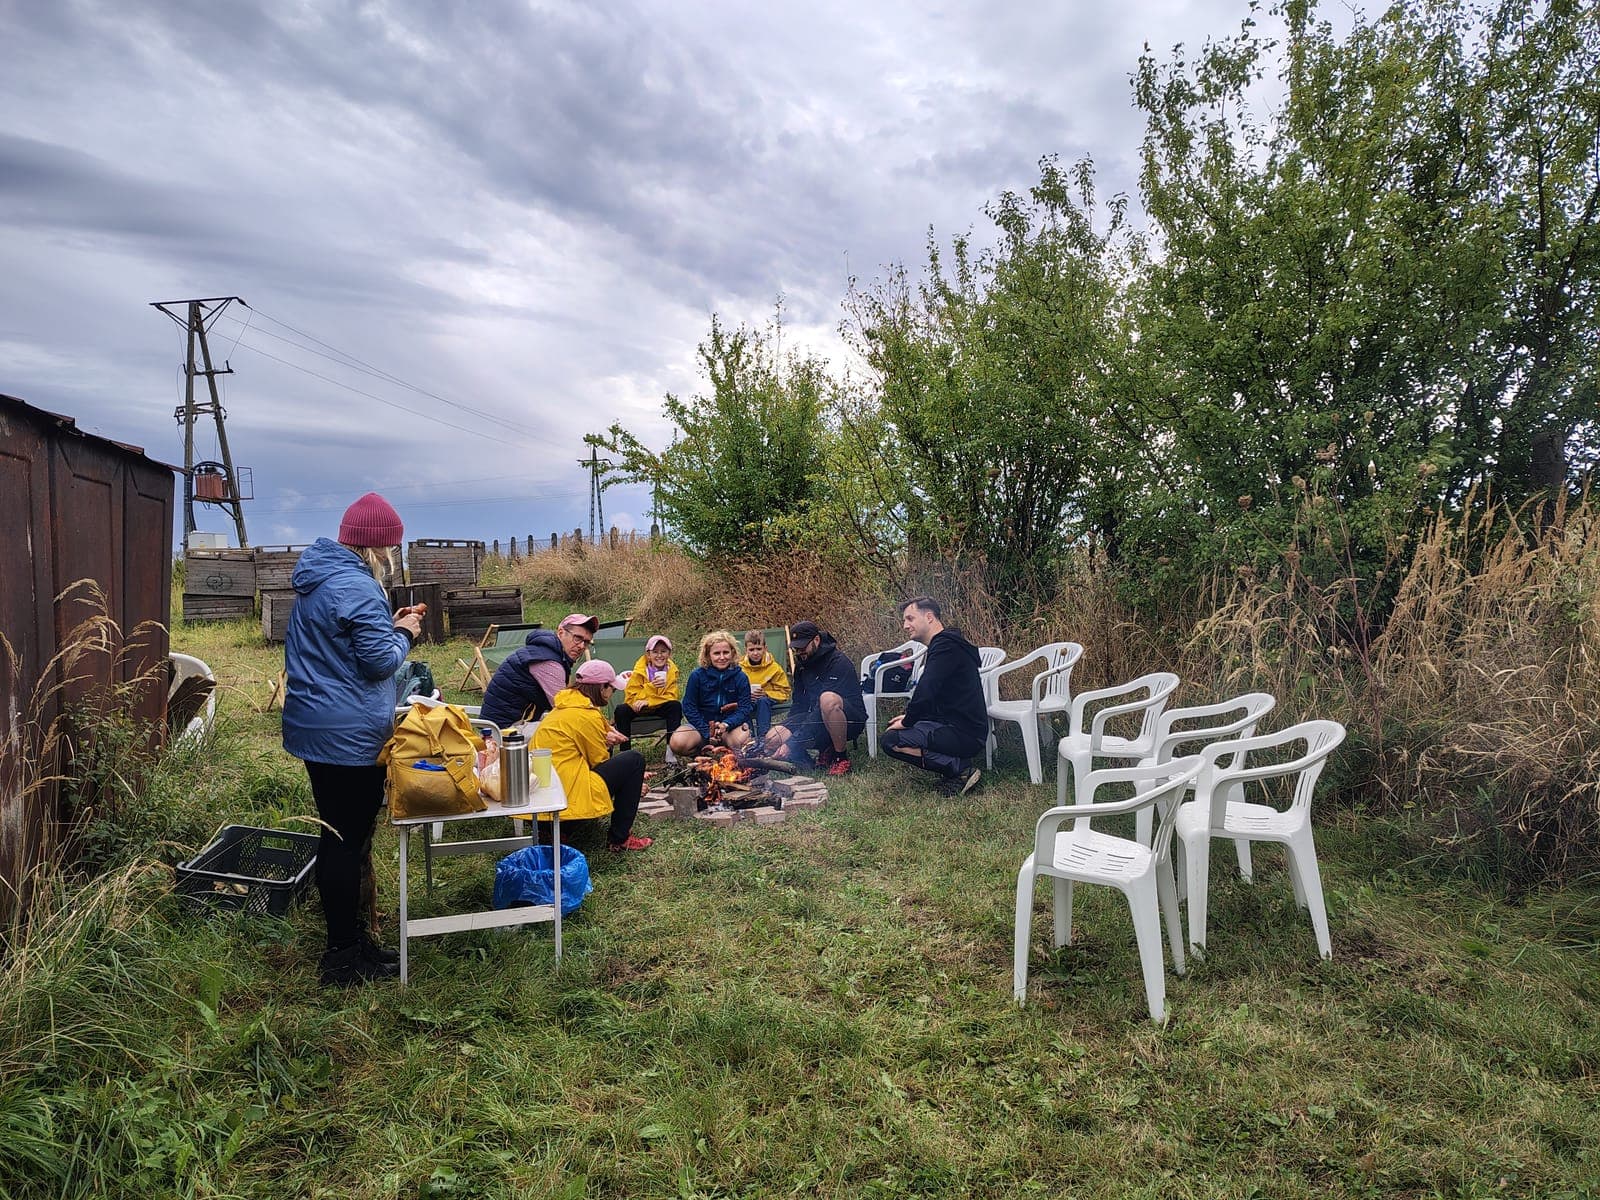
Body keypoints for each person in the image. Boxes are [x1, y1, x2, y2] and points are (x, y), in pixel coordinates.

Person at [282, 492, 424, 986]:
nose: (390, 559)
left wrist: (389, 626)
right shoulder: (358, 588)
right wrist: (404, 632)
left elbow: (341, 651)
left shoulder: (316, 579)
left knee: (341, 838)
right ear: (376, 549)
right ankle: (343, 957)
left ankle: (357, 943)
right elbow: (379, 662)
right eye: (390, 550)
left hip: (315, 726)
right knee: (346, 842)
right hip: (348, 735)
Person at [532, 660, 653, 853]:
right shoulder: (586, 715)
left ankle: (558, 830)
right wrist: (633, 783)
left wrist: (605, 737)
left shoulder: (564, 706)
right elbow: (599, 762)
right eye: (611, 689)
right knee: (634, 760)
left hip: (546, 792)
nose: (612, 693)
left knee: (623, 767)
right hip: (567, 793)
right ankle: (620, 838)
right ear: (601, 687)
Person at [881, 596, 987, 796]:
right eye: (905, 620)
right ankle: (956, 767)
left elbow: (926, 689)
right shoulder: (945, 644)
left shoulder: (946, 646)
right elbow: (932, 695)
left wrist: (909, 720)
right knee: (894, 733)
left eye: (910, 619)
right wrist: (909, 717)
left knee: (891, 741)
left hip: (965, 733)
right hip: (955, 726)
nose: (905, 625)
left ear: (929, 617)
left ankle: (960, 769)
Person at [764, 619, 866, 776]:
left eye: (802, 647)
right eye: (796, 648)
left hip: (849, 719)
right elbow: (799, 704)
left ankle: (840, 757)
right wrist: (787, 730)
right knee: (772, 737)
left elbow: (821, 709)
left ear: (816, 640)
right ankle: (807, 759)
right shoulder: (801, 665)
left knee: (827, 699)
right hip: (817, 717)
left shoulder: (838, 662)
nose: (799, 652)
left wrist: (793, 742)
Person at [480, 613, 598, 729]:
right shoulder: (548, 661)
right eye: (577, 638)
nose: (582, 646)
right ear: (561, 633)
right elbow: (565, 707)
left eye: (586, 642)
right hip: (503, 731)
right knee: (572, 731)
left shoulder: (546, 652)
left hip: (511, 721)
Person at [670, 630, 755, 756]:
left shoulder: (741, 677)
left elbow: (744, 708)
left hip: (730, 727)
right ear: (708, 655)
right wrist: (706, 730)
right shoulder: (697, 676)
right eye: (716, 653)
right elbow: (689, 707)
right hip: (701, 726)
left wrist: (727, 724)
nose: (722, 657)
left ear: (732, 653)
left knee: (742, 740)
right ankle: (703, 754)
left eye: (725, 652)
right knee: (678, 742)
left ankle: (730, 756)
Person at [614, 634, 682, 747]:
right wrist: (651, 687)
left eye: (663, 651)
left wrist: (649, 701)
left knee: (675, 706)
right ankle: (625, 751)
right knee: (621, 710)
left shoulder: (672, 672)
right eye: (655, 652)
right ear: (648, 655)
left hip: (659, 707)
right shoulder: (639, 671)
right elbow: (630, 699)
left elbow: (671, 696)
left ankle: (671, 751)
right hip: (638, 709)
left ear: (669, 654)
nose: (659, 655)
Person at [739, 629, 791, 740]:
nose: (755, 653)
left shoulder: (774, 668)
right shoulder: (740, 668)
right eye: (751, 649)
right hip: (748, 699)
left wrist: (766, 694)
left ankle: (763, 738)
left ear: (765, 649)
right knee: (743, 705)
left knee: (763, 701)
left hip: (767, 698)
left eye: (759, 649)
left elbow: (784, 691)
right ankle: (749, 737)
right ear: (746, 650)